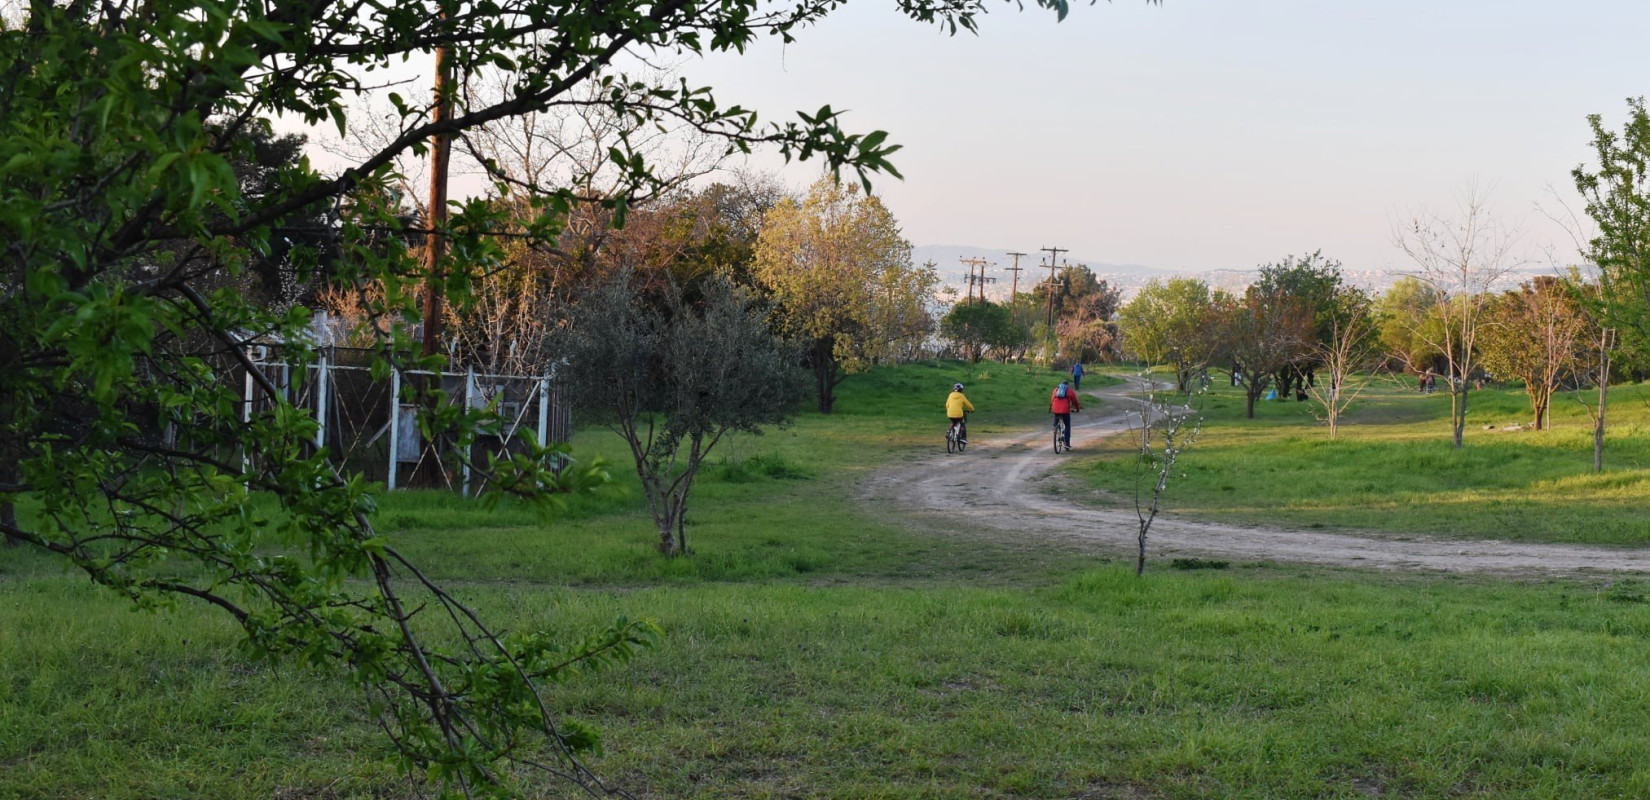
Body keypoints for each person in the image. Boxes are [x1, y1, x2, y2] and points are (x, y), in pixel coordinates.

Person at [1050, 380, 1081, 449]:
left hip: (1055, 409)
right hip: (1065, 410)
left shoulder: (1055, 390)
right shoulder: (1070, 391)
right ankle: (1067, 443)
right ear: (1068, 385)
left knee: (1056, 419)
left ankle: (1055, 428)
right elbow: (1075, 401)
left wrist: (1051, 408)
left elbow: (1052, 399)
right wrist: (1077, 409)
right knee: (1067, 425)